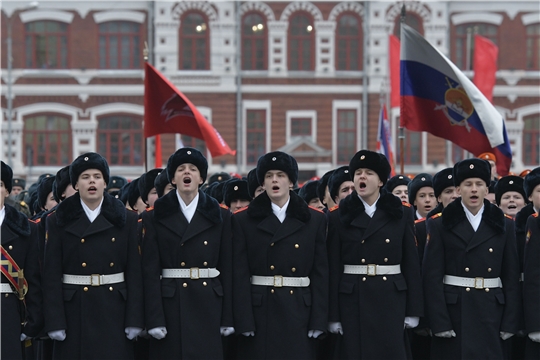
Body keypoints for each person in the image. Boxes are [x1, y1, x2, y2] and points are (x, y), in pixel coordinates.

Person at [43, 152, 144, 359]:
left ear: (105, 183)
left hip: (114, 309)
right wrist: (55, 321)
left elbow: (135, 274)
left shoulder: (126, 220)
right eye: (85, 177)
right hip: (74, 312)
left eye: (97, 177)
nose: (92, 182)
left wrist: (135, 319)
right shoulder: (58, 221)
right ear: (76, 184)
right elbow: (51, 275)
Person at [327, 150, 423, 359]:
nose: (362, 177)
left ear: (380, 180)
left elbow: (411, 263)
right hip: (353, 301)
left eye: (369, 173)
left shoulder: (401, 212)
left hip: (391, 299)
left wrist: (413, 310)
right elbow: (333, 268)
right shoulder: (338, 215)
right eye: (358, 172)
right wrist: (333, 315)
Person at [232, 151, 328, 359]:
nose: (274, 180)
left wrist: (319, 320)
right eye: (268, 176)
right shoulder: (243, 221)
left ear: (292, 182)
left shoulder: (315, 220)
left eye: (281, 175)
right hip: (261, 312)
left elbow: (321, 274)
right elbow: (239, 275)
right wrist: (243, 320)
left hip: (299, 311)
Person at [423, 158, 520, 360]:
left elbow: (511, 278)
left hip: (491, 311)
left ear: (487, 189)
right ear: (458, 190)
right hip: (455, 312)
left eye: (479, 184)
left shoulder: (504, 225)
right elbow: (431, 277)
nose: (473, 190)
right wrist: (440, 322)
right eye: (468, 185)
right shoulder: (440, 224)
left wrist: (510, 321)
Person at [141, 147, 233, 359]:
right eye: (181, 169)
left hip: (209, 303)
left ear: (201, 178)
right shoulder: (154, 216)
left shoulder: (220, 215)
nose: (187, 173)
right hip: (171, 305)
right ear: (172, 178)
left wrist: (228, 317)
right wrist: (154, 318)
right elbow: (150, 271)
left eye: (193, 169)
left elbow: (228, 269)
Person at [1, 161, 43, 360]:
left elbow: (34, 279)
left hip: (9, 314)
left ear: (7, 190)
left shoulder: (25, 230)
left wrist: (32, 322)